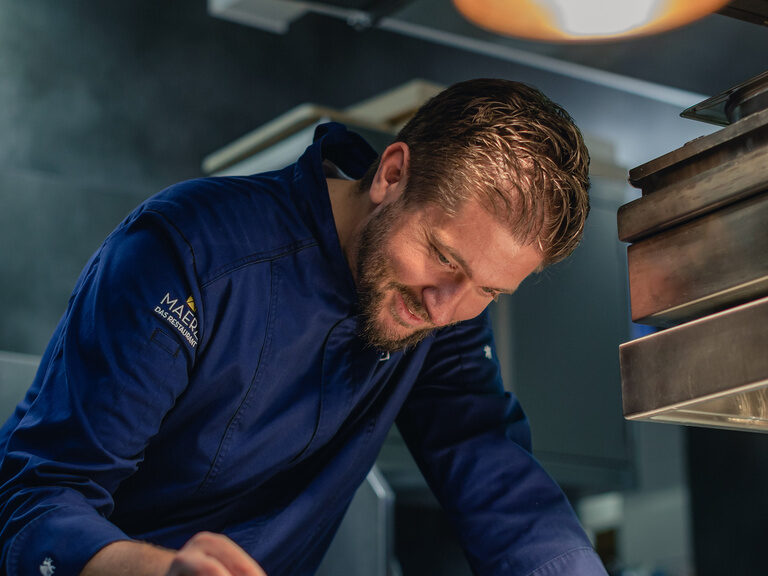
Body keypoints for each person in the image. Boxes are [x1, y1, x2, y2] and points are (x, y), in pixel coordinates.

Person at [0, 78, 606, 575]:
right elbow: (40, 500)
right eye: (445, 258)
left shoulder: (443, 315)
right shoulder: (188, 250)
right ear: (391, 175)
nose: (446, 310)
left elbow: (493, 471)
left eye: (489, 291)